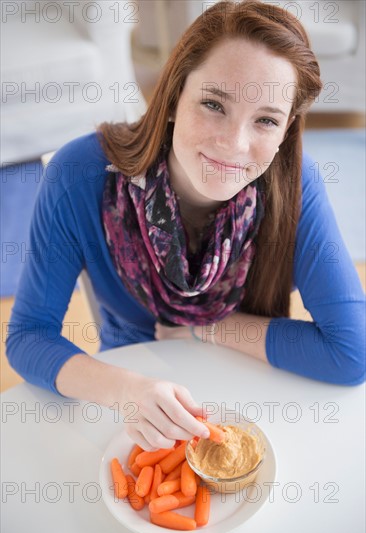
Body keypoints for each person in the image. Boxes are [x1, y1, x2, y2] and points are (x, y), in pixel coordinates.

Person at [6, 0, 365, 450]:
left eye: (266, 120)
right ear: (175, 96)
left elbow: (352, 352)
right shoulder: (79, 173)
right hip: (133, 379)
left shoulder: (297, 185)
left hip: (253, 379)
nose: (234, 144)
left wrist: (207, 328)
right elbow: (28, 337)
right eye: (214, 104)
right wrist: (125, 390)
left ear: (286, 130)